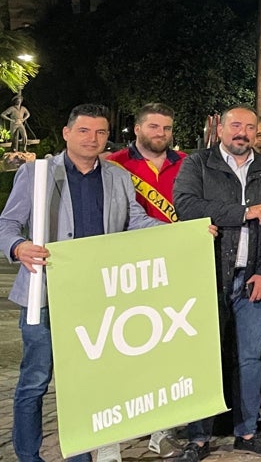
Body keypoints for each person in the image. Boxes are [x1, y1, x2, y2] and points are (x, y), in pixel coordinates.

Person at [2, 104, 160, 462]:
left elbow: (134, 221)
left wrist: (186, 233)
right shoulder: (35, 173)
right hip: (44, 296)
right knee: (34, 381)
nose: (93, 139)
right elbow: (6, 225)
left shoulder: (118, 176)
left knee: (87, 384)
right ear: (67, 133)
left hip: (96, 297)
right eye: (85, 131)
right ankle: (28, 456)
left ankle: (80, 455)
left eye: (101, 132)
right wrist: (18, 246)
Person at [174, 106, 261, 460]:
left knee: (250, 358)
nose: (242, 132)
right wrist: (242, 212)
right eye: (235, 125)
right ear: (221, 129)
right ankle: (198, 438)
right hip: (206, 276)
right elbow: (186, 205)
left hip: (253, 278)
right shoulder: (197, 164)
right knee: (204, 357)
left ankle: (247, 431)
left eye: (250, 127)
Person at [108, 102, 190, 456]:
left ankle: (162, 430)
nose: (161, 134)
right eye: (154, 127)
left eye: (167, 128)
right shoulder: (114, 165)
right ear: (138, 129)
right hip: (129, 265)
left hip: (178, 261)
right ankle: (117, 425)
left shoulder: (187, 162)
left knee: (169, 345)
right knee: (126, 346)